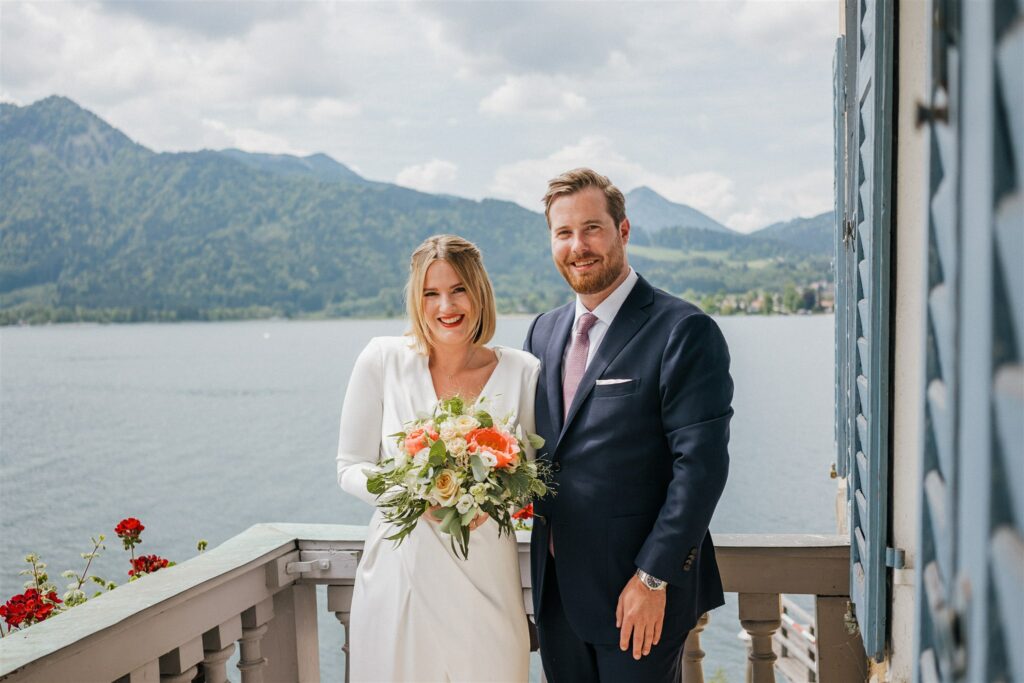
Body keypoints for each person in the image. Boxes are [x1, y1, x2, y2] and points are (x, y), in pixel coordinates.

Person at [525, 168, 733, 682]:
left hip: (638, 598)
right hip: (556, 597)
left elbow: (700, 471)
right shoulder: (542, 332)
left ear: (623, 230)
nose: (579, 246)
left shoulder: (683, 330)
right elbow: (538, 452)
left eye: (592, 228)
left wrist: (653, 578)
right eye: (564, 232)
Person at [336, 234, 537, 682]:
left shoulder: (523, 371)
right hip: (400, 576)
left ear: (479, 292)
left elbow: (531, 473)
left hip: (485, 578)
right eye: (431, 293)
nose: (446, 305)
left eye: (458, 289)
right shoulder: (382, 359)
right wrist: (413, 493)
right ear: (417, 300)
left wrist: (493, 497)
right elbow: (349, 466)